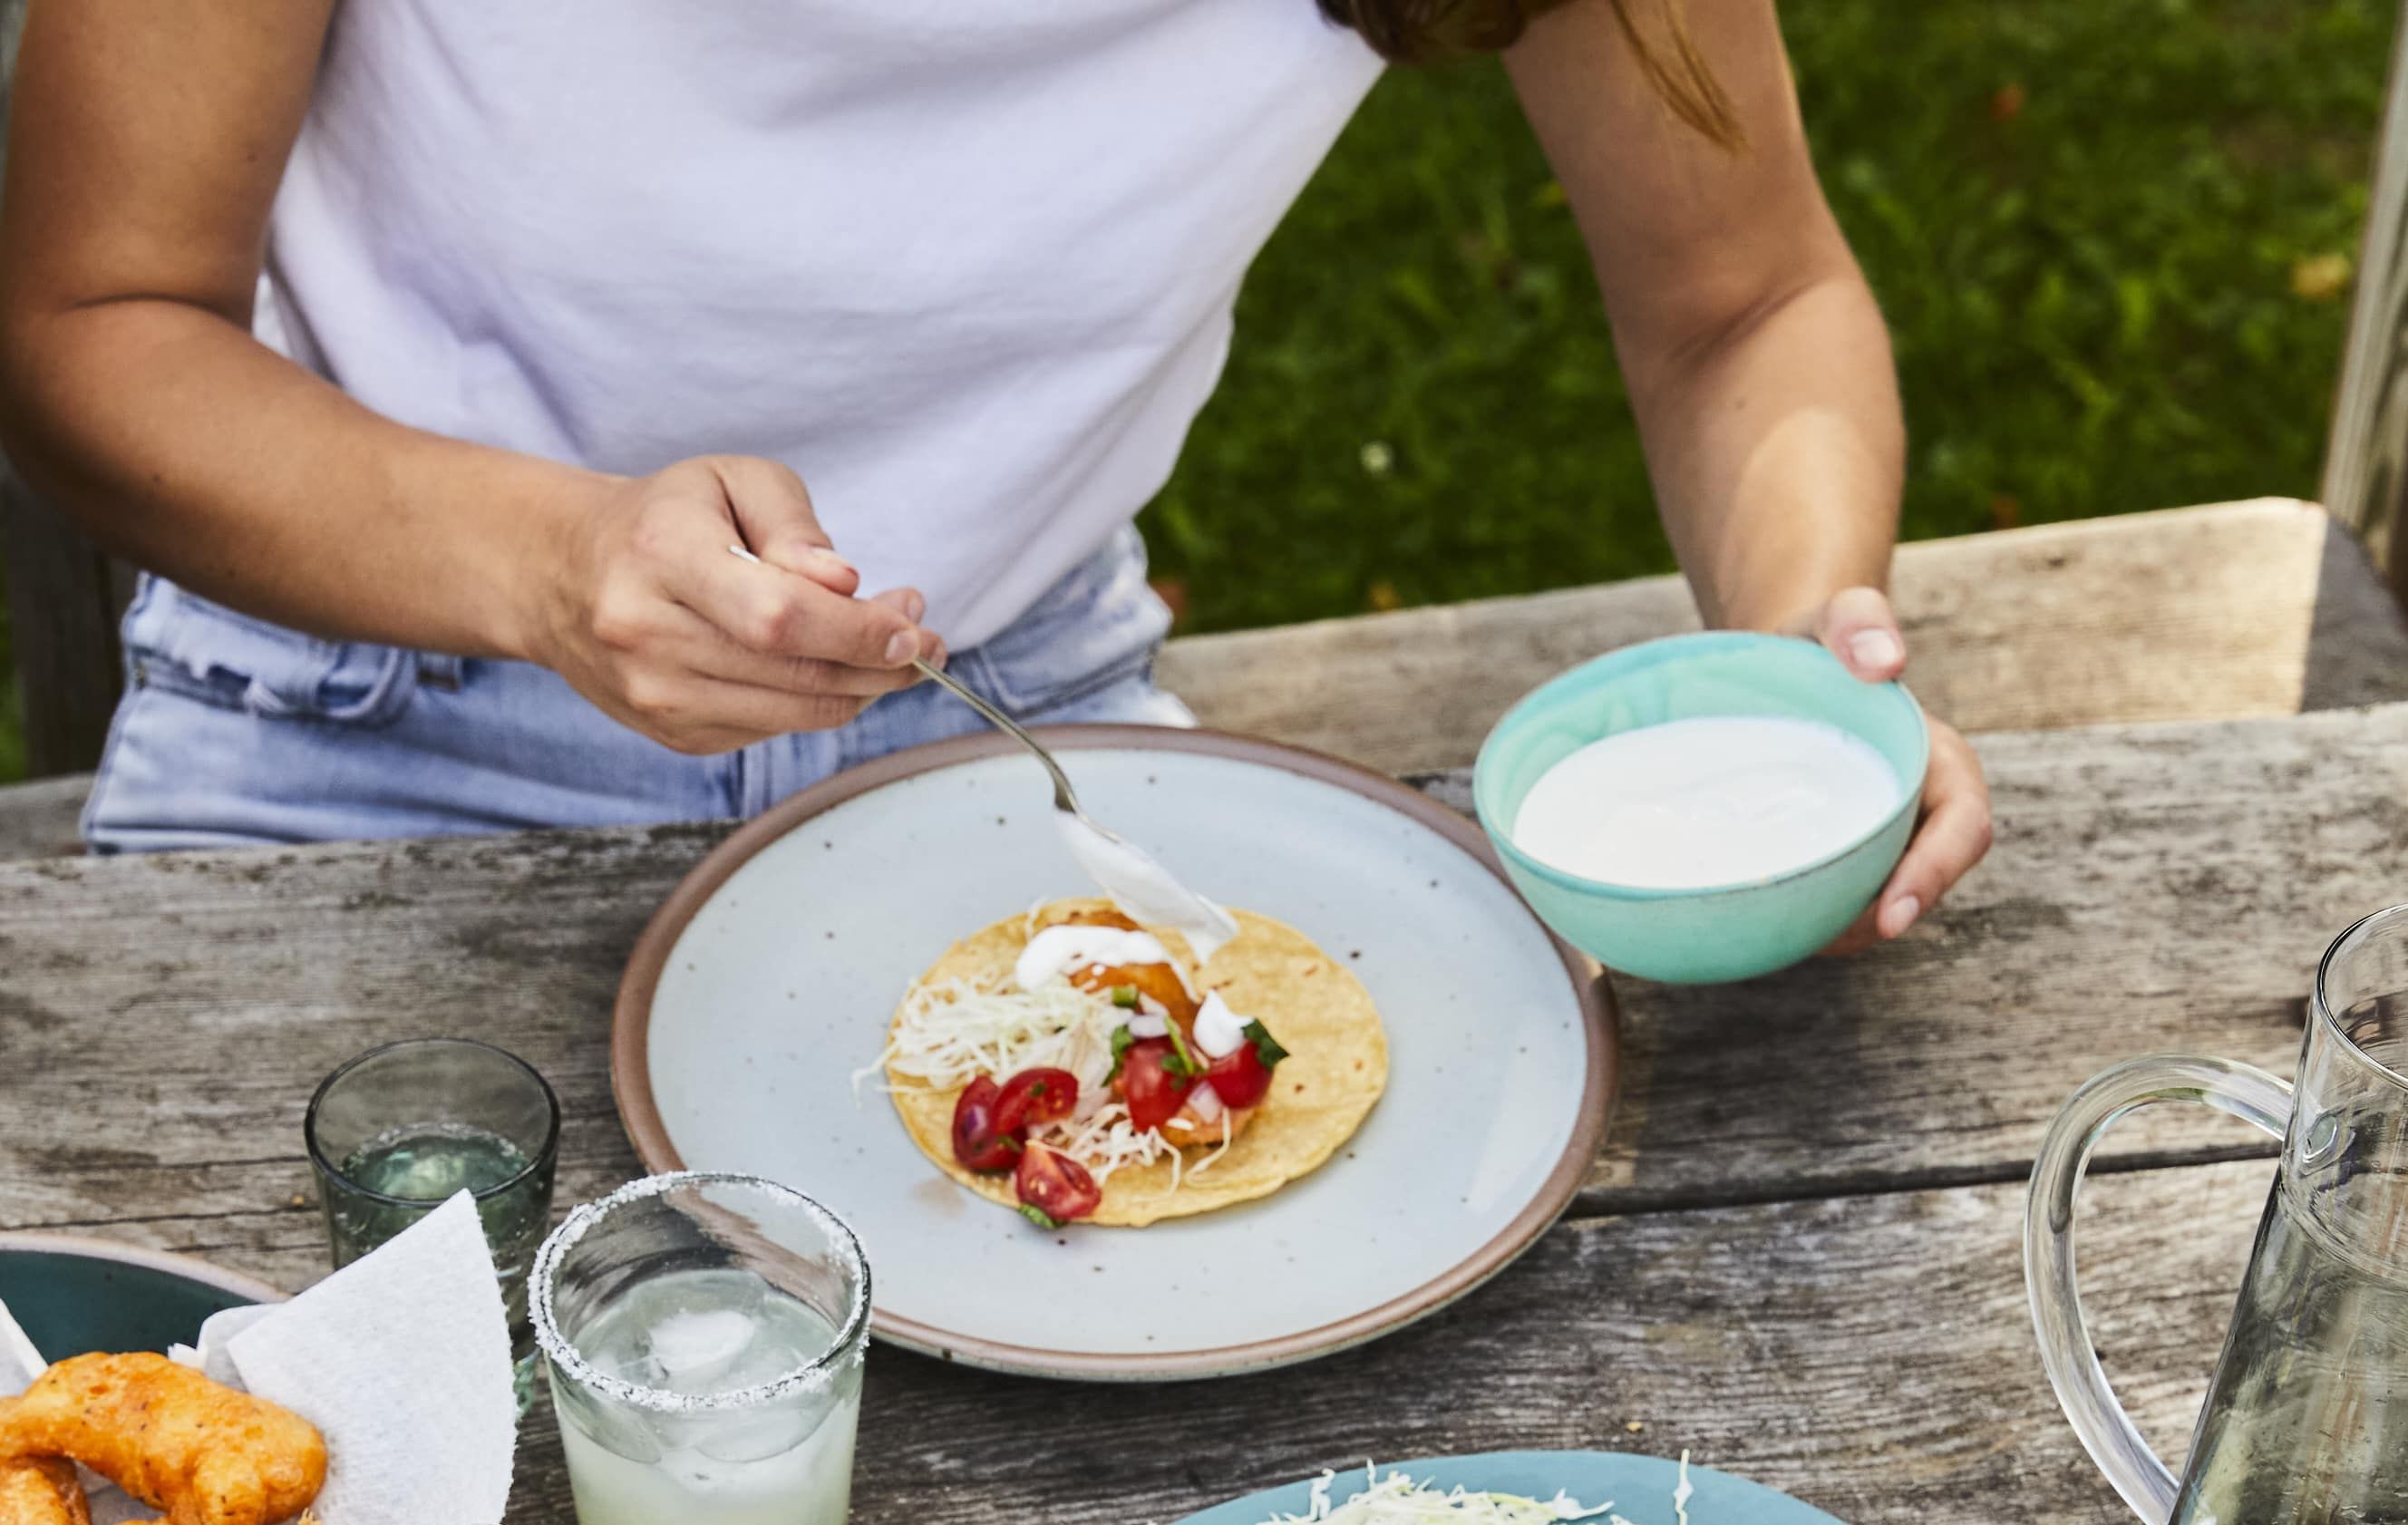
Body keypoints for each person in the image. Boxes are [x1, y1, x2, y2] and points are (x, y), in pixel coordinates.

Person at [0, 0, 1988, 937]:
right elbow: (93, 323)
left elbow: (1745, 299)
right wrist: (549, 563)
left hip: (1017, 728)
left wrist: (1795, 682)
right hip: (371, 733)